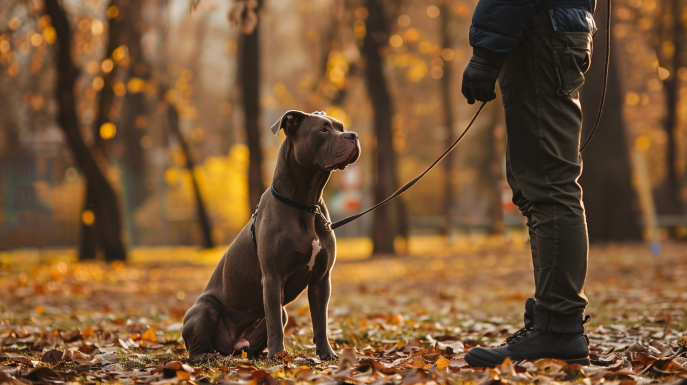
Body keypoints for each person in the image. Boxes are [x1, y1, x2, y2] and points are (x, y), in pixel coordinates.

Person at [461, 0, 597, 368]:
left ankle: (559, 326)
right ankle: (553, 319)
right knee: (535, 186)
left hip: (540, 33)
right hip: (549, 30)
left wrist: (487, 53)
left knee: (548, 186)